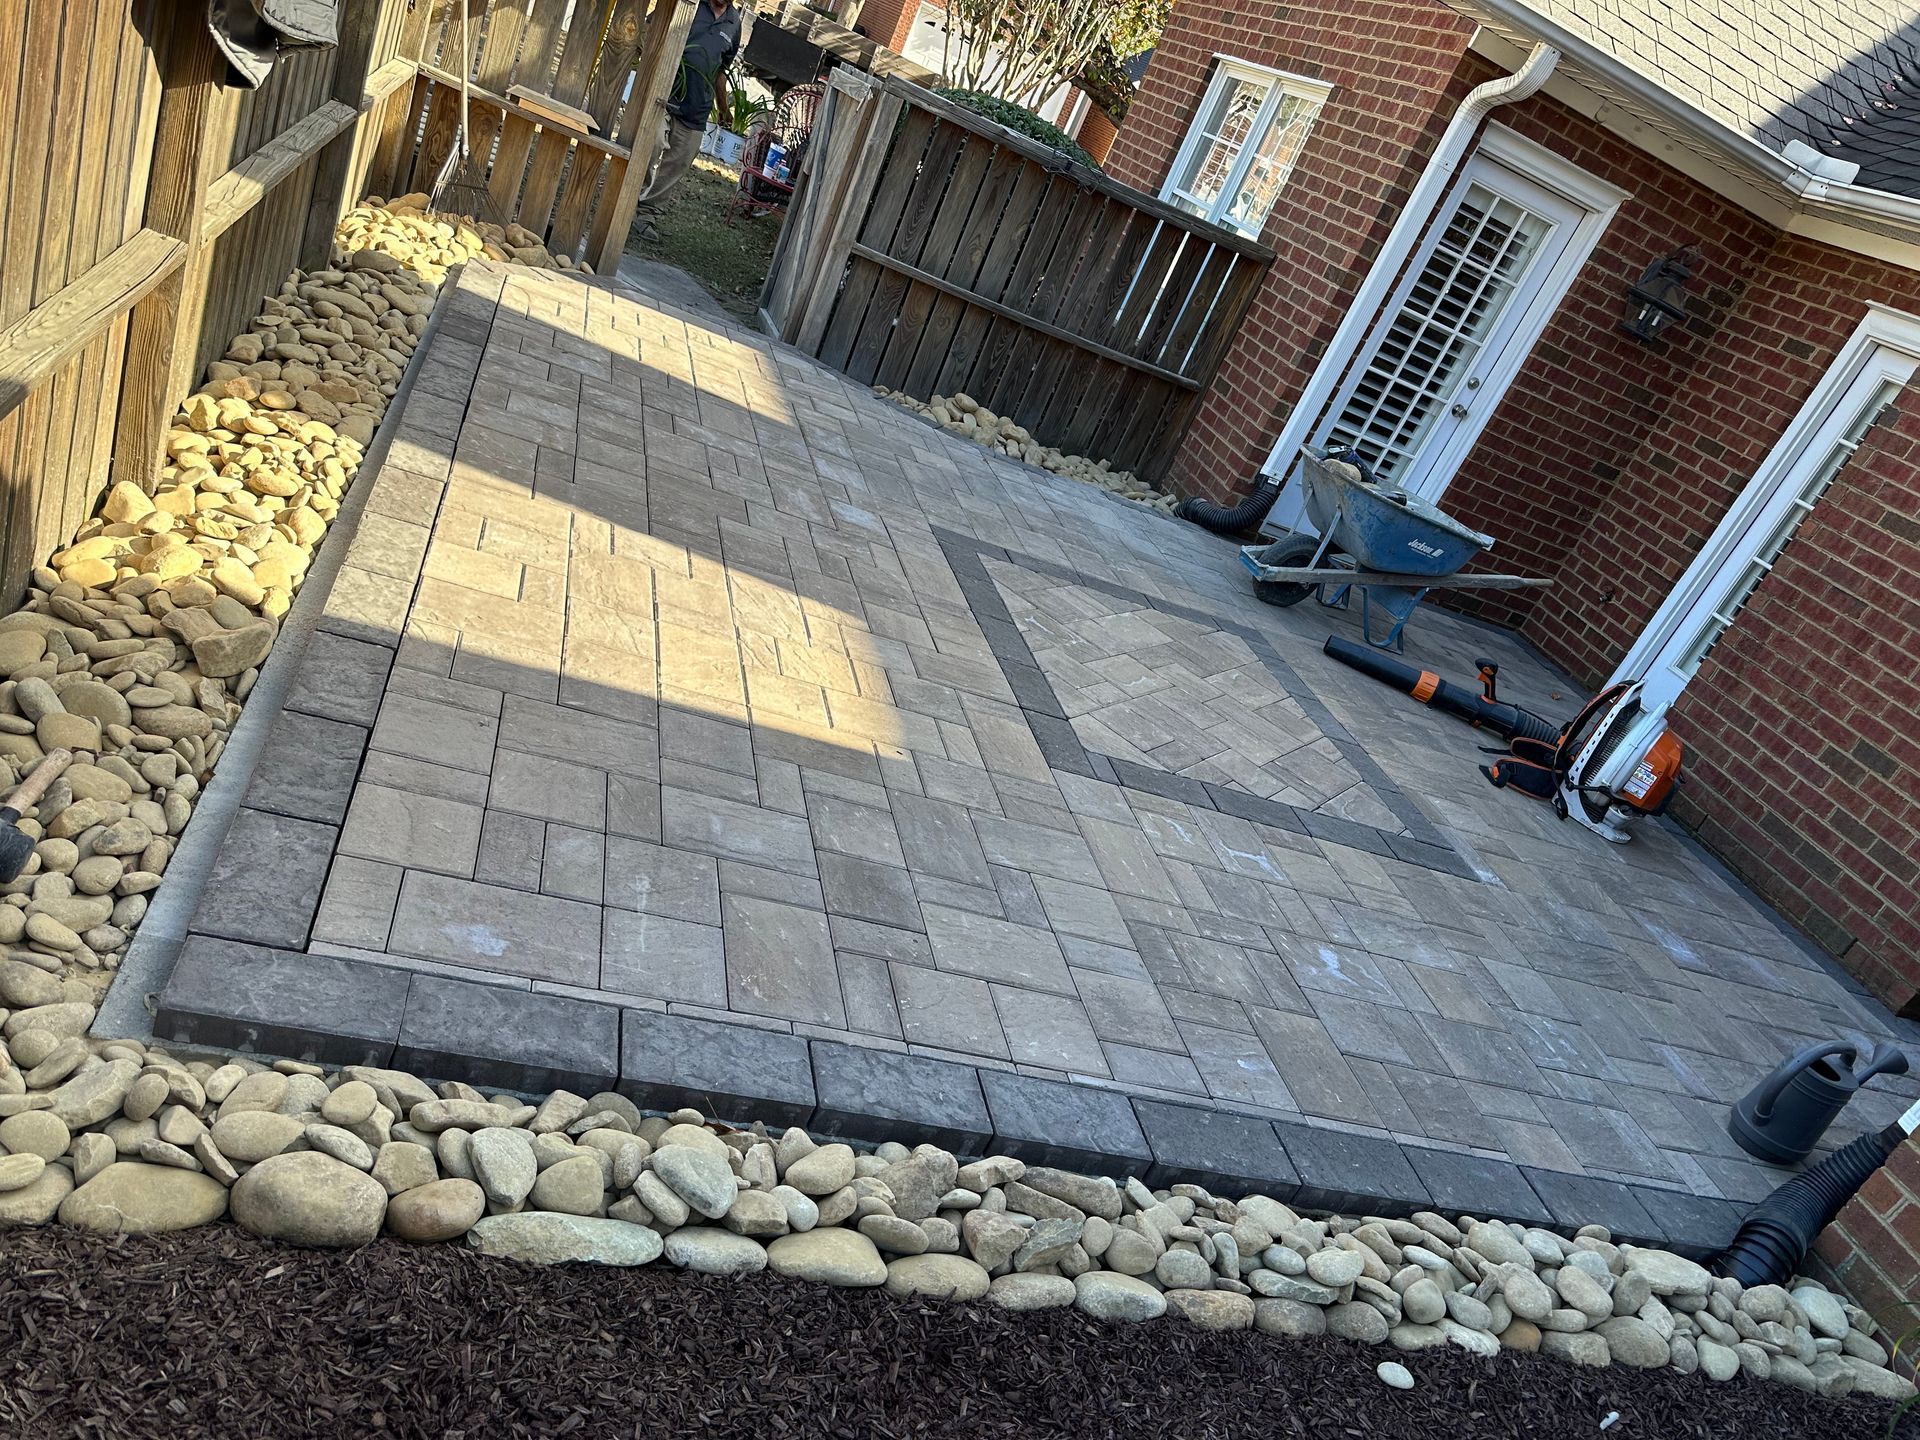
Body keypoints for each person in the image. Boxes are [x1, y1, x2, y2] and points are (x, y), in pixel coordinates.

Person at [633, 0, 744, 240]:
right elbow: (649, 25)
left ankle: (645, 214)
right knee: (650, 145)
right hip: (664, 94)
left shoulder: (734, 23)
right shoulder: (690, 3)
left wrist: (723, 109)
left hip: (697, 106)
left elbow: (721, 71)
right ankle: (628, 201)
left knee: (679, 162)